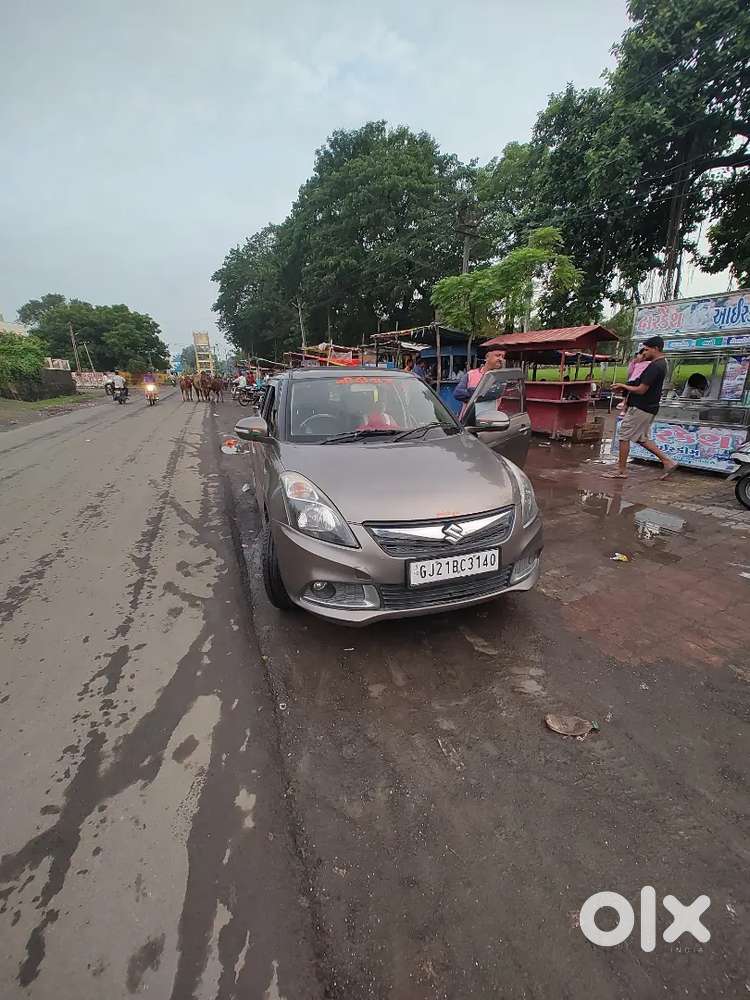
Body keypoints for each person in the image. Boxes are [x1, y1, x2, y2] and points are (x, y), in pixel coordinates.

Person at [606, 335, 678, 480]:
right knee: (641, 438)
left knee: (624, 436)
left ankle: (621, 470)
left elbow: (641, 389)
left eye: (646, 349)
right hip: (648, 407)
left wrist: (623, 386)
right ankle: (667, 461)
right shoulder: (659, 364)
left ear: (656, 349)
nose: (644, 352)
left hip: (641, 407)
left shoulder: (655, 366)